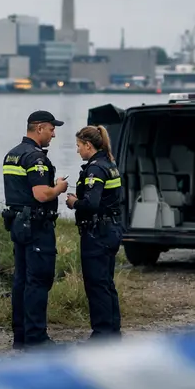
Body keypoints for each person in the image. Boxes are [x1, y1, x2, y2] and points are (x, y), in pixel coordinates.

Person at [1, 110, 69, 349]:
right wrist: (59, 187)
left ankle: (20, 337)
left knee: (21, 280)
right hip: (37, 226)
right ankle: (37, 339)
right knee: (38, 281)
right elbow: (41, 194)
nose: (53, 134)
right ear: (39, 128)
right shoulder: (34, 157)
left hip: (19, 224)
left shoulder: (12, 155)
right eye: (51, 129)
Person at [66, 125, 124, 340]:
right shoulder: (110, 164)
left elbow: (91, 203)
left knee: (96, 284)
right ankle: (113, 331)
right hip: (110, 229)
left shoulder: (95, 169)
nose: (78, 150)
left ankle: (101, 335)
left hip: (97, 233)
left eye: (79, 146)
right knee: (106, 282)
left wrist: (73, 202)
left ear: (88, 145)